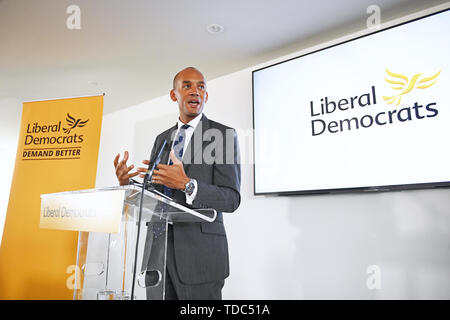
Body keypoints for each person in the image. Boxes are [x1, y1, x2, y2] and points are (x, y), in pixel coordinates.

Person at [113, 67, 241, 300]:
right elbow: (156, 194)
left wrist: (187, 185)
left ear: (206, 96)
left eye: (201, 86)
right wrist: (128, 184)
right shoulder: (161, 139)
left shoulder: (222, 135)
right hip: (157, 254)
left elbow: (231, 199)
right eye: (187, 86)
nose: (196, 91)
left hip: (200, 256)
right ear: (174, 95)